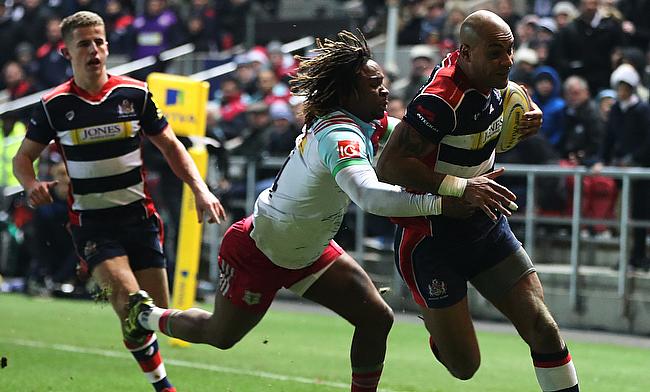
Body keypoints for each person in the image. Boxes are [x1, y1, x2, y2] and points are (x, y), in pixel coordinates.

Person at [123, 30, 515, 392]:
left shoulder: (370, 123)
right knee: (220, 336)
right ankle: (146, 316)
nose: (385, 90)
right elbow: (370, 196)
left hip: (310, 252)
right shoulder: (338, 134)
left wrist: (503, 129)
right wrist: (446, 202)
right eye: (374, 84)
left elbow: (432, 143)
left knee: (376, 319)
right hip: (259, 249)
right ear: (347, 93)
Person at [12, 11, 226, 392]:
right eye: (84, 44)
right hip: (92, 225)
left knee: (153, 314)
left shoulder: (135, 94)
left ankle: (180, 350)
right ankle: (165, 388)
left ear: (108, 46)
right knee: (136, 306)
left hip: (140, 219)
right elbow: (21, 158)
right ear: (66, 52)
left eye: (99, 41)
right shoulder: (54, 106)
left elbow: (172, 147)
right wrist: (30, 184)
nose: (94, 49)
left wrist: (201, 189)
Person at [376, 10, 580, 392]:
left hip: (485, 224)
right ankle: (437, 327)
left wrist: (528, 118)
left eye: (510, 51)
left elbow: (514, 98)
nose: (507, 61)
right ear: (466, 53)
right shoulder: (439, 102)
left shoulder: (497, 82)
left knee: (544, 328)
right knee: (465, 367)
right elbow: (389, 167)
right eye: (496, 53)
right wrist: (461, 187)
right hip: (431, 236)